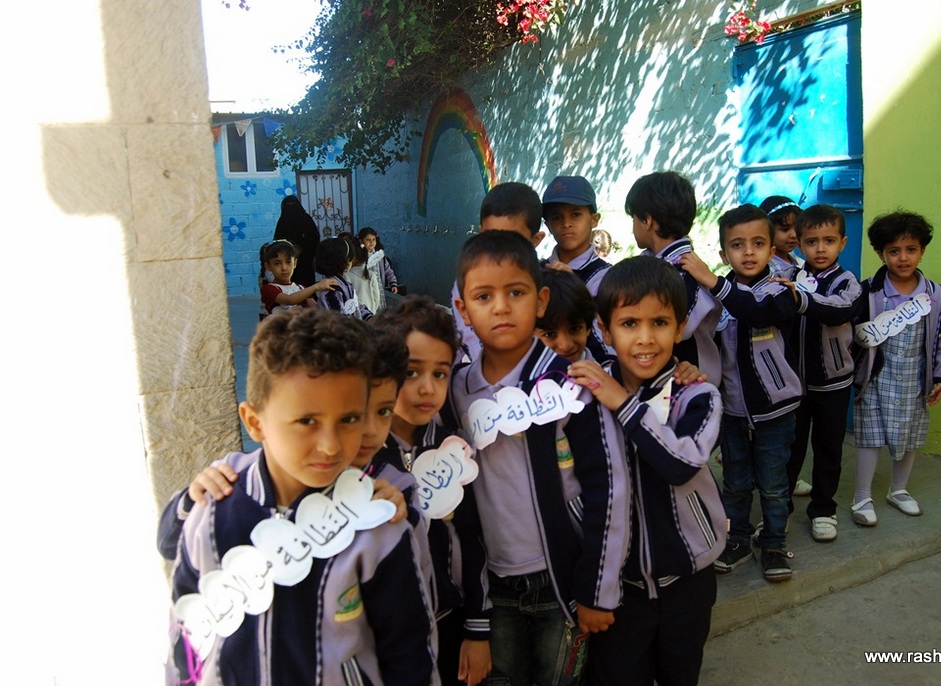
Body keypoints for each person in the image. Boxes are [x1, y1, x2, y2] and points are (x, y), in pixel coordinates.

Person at [167, 308, 439, 684]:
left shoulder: (376, 524)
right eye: (307, 421)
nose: (330, 446)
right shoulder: (213, 515)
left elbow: (409, 653)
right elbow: (185, 636)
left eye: (348, 419)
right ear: (255, 422)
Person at [447, 230, 630, 685]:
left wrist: (598, 588)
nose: (501, 307)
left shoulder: (571, 384)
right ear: (463, 310)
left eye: (516, 292)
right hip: (494, 588)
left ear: (541, 299)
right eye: (484, 296)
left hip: (563, 582)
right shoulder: (455, 391)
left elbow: (609, 485)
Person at [567, 256, 726, 686]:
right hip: (621, 588)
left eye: (659, 323)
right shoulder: (584, 397)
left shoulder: (698, 395)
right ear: (604, 331)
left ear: (680, 328)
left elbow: (681, 464)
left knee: (681, 674)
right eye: (629, 323)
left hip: (689, 579)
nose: (645, 338)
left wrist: (622, 402)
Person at [372, 296, 492, 686]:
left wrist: (477, 629)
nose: (427, 388)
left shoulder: (452, 449)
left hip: (452, 625)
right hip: (387, 642)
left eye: (440, 374)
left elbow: (472, 539)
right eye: (411, 372)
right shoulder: (360, 457)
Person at [679, 204, 802, 583]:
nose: (748, 252)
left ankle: (775, 543)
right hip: (732, 410)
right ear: (723, 253)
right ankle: (738, 539)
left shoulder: (781, 290)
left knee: (774, 484)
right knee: (735, 481)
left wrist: (714, 281)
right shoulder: (716, 297)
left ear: (771, 251)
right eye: (737, 245)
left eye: (758, 244)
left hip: (775, 409)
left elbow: (757, 311)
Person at [849, 211, 941, 526]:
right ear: (880, 253)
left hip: (914, 378)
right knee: (871, 436)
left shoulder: (935, 295)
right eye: (894, 251)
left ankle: (898, 490)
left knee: (909, 435)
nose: (903, 258)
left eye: (911, 249)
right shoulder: (868, 292)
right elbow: (849, 334)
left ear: (922, 251)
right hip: (875, 378)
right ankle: (862, 496)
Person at [779, 204, 862, 542]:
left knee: (828, 449)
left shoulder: (846, 282)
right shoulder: (792, 277)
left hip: (833, 385)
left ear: (843, 243)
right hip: (795, 385)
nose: (820, 249)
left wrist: (801, 300)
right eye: (811, 242)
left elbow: (839, 311)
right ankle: (779, 510)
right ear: (800, 244)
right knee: (789, 449)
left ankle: (824, 508)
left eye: (829, 241)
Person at [626, 171, 723, 387]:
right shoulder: (655, 264)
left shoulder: (683, 272)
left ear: (647, 221)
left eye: (633, 218)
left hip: (690, 381)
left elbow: (675, 329)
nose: (632, 227)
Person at [451, 182, 547, 361]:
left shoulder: (547, 280)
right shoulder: (467, 284)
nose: (499, 249)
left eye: (516, 293)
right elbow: (464, 340)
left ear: (536, 240)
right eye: (484, 296)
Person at [541, 175, 611, 296]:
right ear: (548, 226)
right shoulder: (537, 272)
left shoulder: (607, 278)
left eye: (575, 214)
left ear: (594, 220)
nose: (566, 224)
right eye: (556, 217)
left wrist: (574, 288)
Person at [258, 239, 336, 321]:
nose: (284, 268)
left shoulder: (301, 288)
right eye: (277, 263)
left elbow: (316, 309)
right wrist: (317, 286)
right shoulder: (269, 289)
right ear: (268, 267)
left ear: (295, 263)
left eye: (288, 262)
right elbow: (290, 300)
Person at [534, 269, 597, 363]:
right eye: (549, 334)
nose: (566, 346)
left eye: (574, 329)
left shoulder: (600, 372)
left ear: (588, 328)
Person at [314, 236, 373, 319]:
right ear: (344, 261)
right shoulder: (331, 291)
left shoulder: (346, 285)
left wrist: (370, 318)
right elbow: (338, 321)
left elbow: (357, 306)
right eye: (350, 257)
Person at [274, 194, 321, 288]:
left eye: (293, 204)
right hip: (293, 259)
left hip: (302, 259)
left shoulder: (304, 220)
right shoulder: (284, 221)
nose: (291, 207)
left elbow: (314, 238)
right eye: (288, 205)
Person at [759, 196, 803, 278]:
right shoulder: (767, 269)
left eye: (797, 228)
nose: (794, 235)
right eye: (785, 229)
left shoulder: (798, 262)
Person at [358, 226, 400, 303]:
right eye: (368, 240)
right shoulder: (358, 257)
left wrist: (393, 284)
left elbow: (388, 271)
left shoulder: (379, 256)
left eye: (374, 239)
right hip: (364, 291)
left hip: (378, 289)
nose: (371, 242)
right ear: (361, 241)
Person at [345, 238, 384, 314]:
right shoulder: (371, 274)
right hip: (370, 313)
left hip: (355, 314)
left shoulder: (347, 275)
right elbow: (377, 297)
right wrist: (373, 309)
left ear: (353, 259)